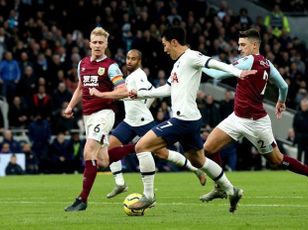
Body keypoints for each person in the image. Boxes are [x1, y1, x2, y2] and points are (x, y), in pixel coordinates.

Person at [127, 26, 256, 212]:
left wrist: (238, 73)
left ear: (173, 42)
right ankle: (231, 190)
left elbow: (212, 62)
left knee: (141, 146)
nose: (164, 49)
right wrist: (139, 94)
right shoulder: (178, 63)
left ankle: (148, 196)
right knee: (198, 161)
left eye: (165, 45)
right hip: (191, 119)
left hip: (182, 120)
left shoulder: (191, 56)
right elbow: (167, 89)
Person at [199, 28, 308, 202]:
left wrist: (198, 62)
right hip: (237, 118)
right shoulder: (268, 64)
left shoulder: (249, 60)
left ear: (254, 45)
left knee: (276, 159)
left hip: (256, 123)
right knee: (209, 148)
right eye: (239, 45)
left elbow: (217, 73)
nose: (240, 48)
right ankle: (221, 187)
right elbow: (284, 86)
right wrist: (281, 101)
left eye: (243, 45)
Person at [90, 49, 206, 199]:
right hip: (129, 121)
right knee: (107, 148)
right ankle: (120, 184)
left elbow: (145, 90)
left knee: (162, 153)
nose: (129, 61)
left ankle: (195, 169)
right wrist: (145, 103)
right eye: (128, 58)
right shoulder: (130, 76)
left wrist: (113, 96)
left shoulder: (139, 75)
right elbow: (151, 90)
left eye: (133, 59)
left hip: (143, 122)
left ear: (139, 61)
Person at [63, 27, 133, 212]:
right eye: (94, 42)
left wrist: (102, 94)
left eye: (101, 42)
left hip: (104, 114)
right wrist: (70, 106)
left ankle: (82, 200)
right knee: (102, 161)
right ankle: (140, 146)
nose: (97, 45)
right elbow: (80, 88)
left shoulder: (111, 66)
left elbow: (123, 90)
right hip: (88, 115)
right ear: (89, 43)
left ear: (106, 45)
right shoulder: (83, 64)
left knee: (88, 152)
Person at [293, 97, 308, 167]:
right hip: (300, 138)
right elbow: (295, 126)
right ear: (301, 105)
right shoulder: (297, 115)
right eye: (303, 105)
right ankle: (298, 169)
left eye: (306, 105)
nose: (304, 106)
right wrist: (298, 136)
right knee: (299, 156)